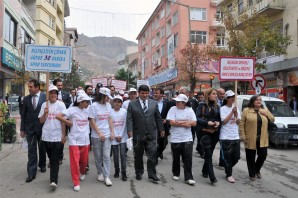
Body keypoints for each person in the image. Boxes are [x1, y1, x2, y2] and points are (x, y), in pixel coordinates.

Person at [127, 85, 165, 183]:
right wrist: (130, 131)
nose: (145, 95)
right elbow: (129, 119)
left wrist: (161, 129)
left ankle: (152, 175)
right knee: (138, 155)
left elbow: (158, 117)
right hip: (138, 134)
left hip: (151, 134)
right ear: (138, 93)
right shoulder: (132, 104)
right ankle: (139, 172)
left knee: (153, 154)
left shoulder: (154, 103)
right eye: (143, 93)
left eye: (146, 93)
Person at [56, 93, 91, 192]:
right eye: (86, 102)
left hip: (85, 140)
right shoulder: (71, 110)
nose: (88, 103)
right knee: (75, 162)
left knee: (84, 162)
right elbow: (58, 116)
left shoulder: (88, 110)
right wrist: (67, 122)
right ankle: (76, 182)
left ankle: (82, 172)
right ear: (80, 101)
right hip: (74, 140)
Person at [239, 95, 275, 181]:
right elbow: (241, 124)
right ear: (252, 101)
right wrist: (242, 135)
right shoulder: (246, 110)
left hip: (262, 138)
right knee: (250, 157)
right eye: (257, 100)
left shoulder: (264, 110)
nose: (259, 101)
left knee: (263, 155)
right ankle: (252, 174)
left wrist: (266, 114)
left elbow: (273, 119)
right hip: (250, 137)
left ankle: (256, 169)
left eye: (260, 100)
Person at [38, 85, 66, 189]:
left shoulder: (61, 105)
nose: (53, 94)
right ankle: (53, 175)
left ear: (57, 95)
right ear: (48, 95)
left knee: (54, 159)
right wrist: (45, 114)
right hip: (46, 136)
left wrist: (63, 135)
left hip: (57, 136)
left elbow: (63, 121)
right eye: (51, 93)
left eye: (55, 93)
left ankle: (53, 180)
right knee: (50, 156)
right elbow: (41, 121)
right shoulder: (44, 105)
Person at [166, 94, 197, 185]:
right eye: (176, 101)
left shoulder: (189, 110)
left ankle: (188, 177)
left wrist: (179, 122)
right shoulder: (173, 109)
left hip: (187, 138)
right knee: (176, 157)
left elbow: (194, 122)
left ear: (184, 103)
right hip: (175, 138)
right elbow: (171, 122)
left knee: (187, 158)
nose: (176, 103)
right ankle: (176, 173)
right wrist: (186, 123)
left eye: (178, 101)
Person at [20, 79, 47, 183]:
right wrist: (22, 129)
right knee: (31, 151)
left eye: (31, 87)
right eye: (29, 87)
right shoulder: (26, 99)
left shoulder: (45, 97)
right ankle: (31, 173)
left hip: (42, 127)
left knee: (42, 148)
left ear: (37, 87)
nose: (29, 89)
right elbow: (23, 115)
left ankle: (42, 164)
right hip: (29, 128)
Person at [89, 87, 115, 186]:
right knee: (98, 156)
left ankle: (106, 176)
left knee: (107, 156)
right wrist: (99, 133)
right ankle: (99, 172)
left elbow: (110, 119)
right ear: (103, 96)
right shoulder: (93, 106)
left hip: (107, 135)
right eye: (107, 97)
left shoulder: (108, 106)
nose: (109, 99)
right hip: (96, 136)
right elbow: (92, 121)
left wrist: (112, 132)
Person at [196, 88, 221, 184]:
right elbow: (196, 118)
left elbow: (219, 118)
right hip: (204, 132)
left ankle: (205, 170)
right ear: (208, 95)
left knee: (209, 152)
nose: (215, 95)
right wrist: (207, 122)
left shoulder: (217, 106)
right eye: (214, 94)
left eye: (216, 94)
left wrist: (218, 123)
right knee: (209, 154)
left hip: (215, 132)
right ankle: (212, 177)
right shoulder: (202, 105)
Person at [219, 90, 241, 183]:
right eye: (231, 97)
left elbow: (238, 122)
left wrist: (236, 115)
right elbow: (224, 122)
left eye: (234, 97)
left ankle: (227, 167)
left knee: (236, 157)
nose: (233, 98)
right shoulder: (222, 109)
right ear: (227, 98)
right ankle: (229, 174)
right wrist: (232, 112)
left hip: (235, 136)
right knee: (228, 157)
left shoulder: (236, 108)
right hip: (225, 136)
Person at [53, 78, 71, 165]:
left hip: (64, 120)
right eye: (58, 85)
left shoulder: (66, 94)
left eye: (61, 85)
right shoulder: (51, 95)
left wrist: (62, 102)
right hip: (53, 120)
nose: (60, 87)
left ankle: (60, 156)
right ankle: (52, 158)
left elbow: (70, 105)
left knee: (62, 138)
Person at [111, 95, 128, 181]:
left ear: (121, 103)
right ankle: (117, 171)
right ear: (113, 102)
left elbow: (125, 124)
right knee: (116, 155)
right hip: (114, 137)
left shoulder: (124, 111)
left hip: (123, 137)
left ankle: (124, 173)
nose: (117, 103)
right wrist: (116, 135)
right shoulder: (110, 112)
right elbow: (111, 125)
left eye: (119, 102)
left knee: (123, 155)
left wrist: (120, 135)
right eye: (115, 101)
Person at [153, 87, 170, 161]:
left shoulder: (167, 102)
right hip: (154, 125)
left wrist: (166, 119)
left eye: (157, 93)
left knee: (164, 142)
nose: (155, 94)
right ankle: (156, 155)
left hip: (164, 125)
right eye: (154, 93)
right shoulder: (151, 102)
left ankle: (160, 151)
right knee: (155, 141)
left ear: (162, 94)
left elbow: (170, 113)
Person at [217, 88, 226, 167]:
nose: (222, 95)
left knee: (223, 145)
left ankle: (222, 162)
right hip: (215, 127)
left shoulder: (226, 102)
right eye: (221, 94)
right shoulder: (214, 102)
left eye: (223, 94)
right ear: (217, 94)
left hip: (223, 127)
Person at [195, 91, 205, 156]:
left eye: (201, 97)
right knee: (199, 137)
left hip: (203, 123)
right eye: (199, 97)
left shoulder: (204, 104)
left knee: (202, 138)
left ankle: (201, 151)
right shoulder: (195, 103)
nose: (200, 98)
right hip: (197, 123)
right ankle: (200, 149)